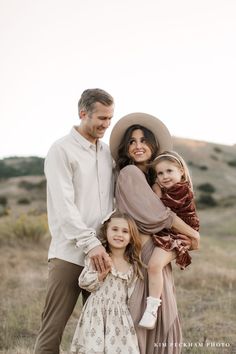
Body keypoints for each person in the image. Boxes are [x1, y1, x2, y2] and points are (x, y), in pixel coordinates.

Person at [109, 113, 200, 354]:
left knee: (161, 311)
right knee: (146, 315)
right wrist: (194, 235)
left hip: (157, 249)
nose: (138, 146)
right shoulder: (130, 173)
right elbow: (158, 216)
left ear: (153, 144)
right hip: (145, 252)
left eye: (143, 140)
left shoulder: (154, 178)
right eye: (132, 141)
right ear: (126, 149)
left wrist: (186, 237)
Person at [34, 88, 115, 354]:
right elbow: (63, 207)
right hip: (70, 254)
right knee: (52, 330)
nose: (106, 124)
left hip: (104, 254)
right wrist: (90, 244)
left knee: (104, 330)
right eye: (101, 118)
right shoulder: (61, 150)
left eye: (110, 118)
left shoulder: (106, 153)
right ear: (83, 113)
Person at [138, 150, 200, 329]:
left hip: (180, 235)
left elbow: (163, 210)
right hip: (169, 232)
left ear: (181, 171)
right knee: (153, 265)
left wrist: (156, 189)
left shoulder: (182, 190)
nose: (165, 176)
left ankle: (152, 309)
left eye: (169, 171)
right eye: (160, 173)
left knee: (154, 265)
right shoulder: (169, 188)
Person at [70, 211, 143, 354]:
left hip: (120, 316)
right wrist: (100, 275)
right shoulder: (98, 257)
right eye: (114, 229)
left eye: (125, 231)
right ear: (106, 231)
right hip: (96, 312)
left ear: (131, 237)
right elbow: (83, 282)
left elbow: (132, 294)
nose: (119, 234)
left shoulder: (133, 265)